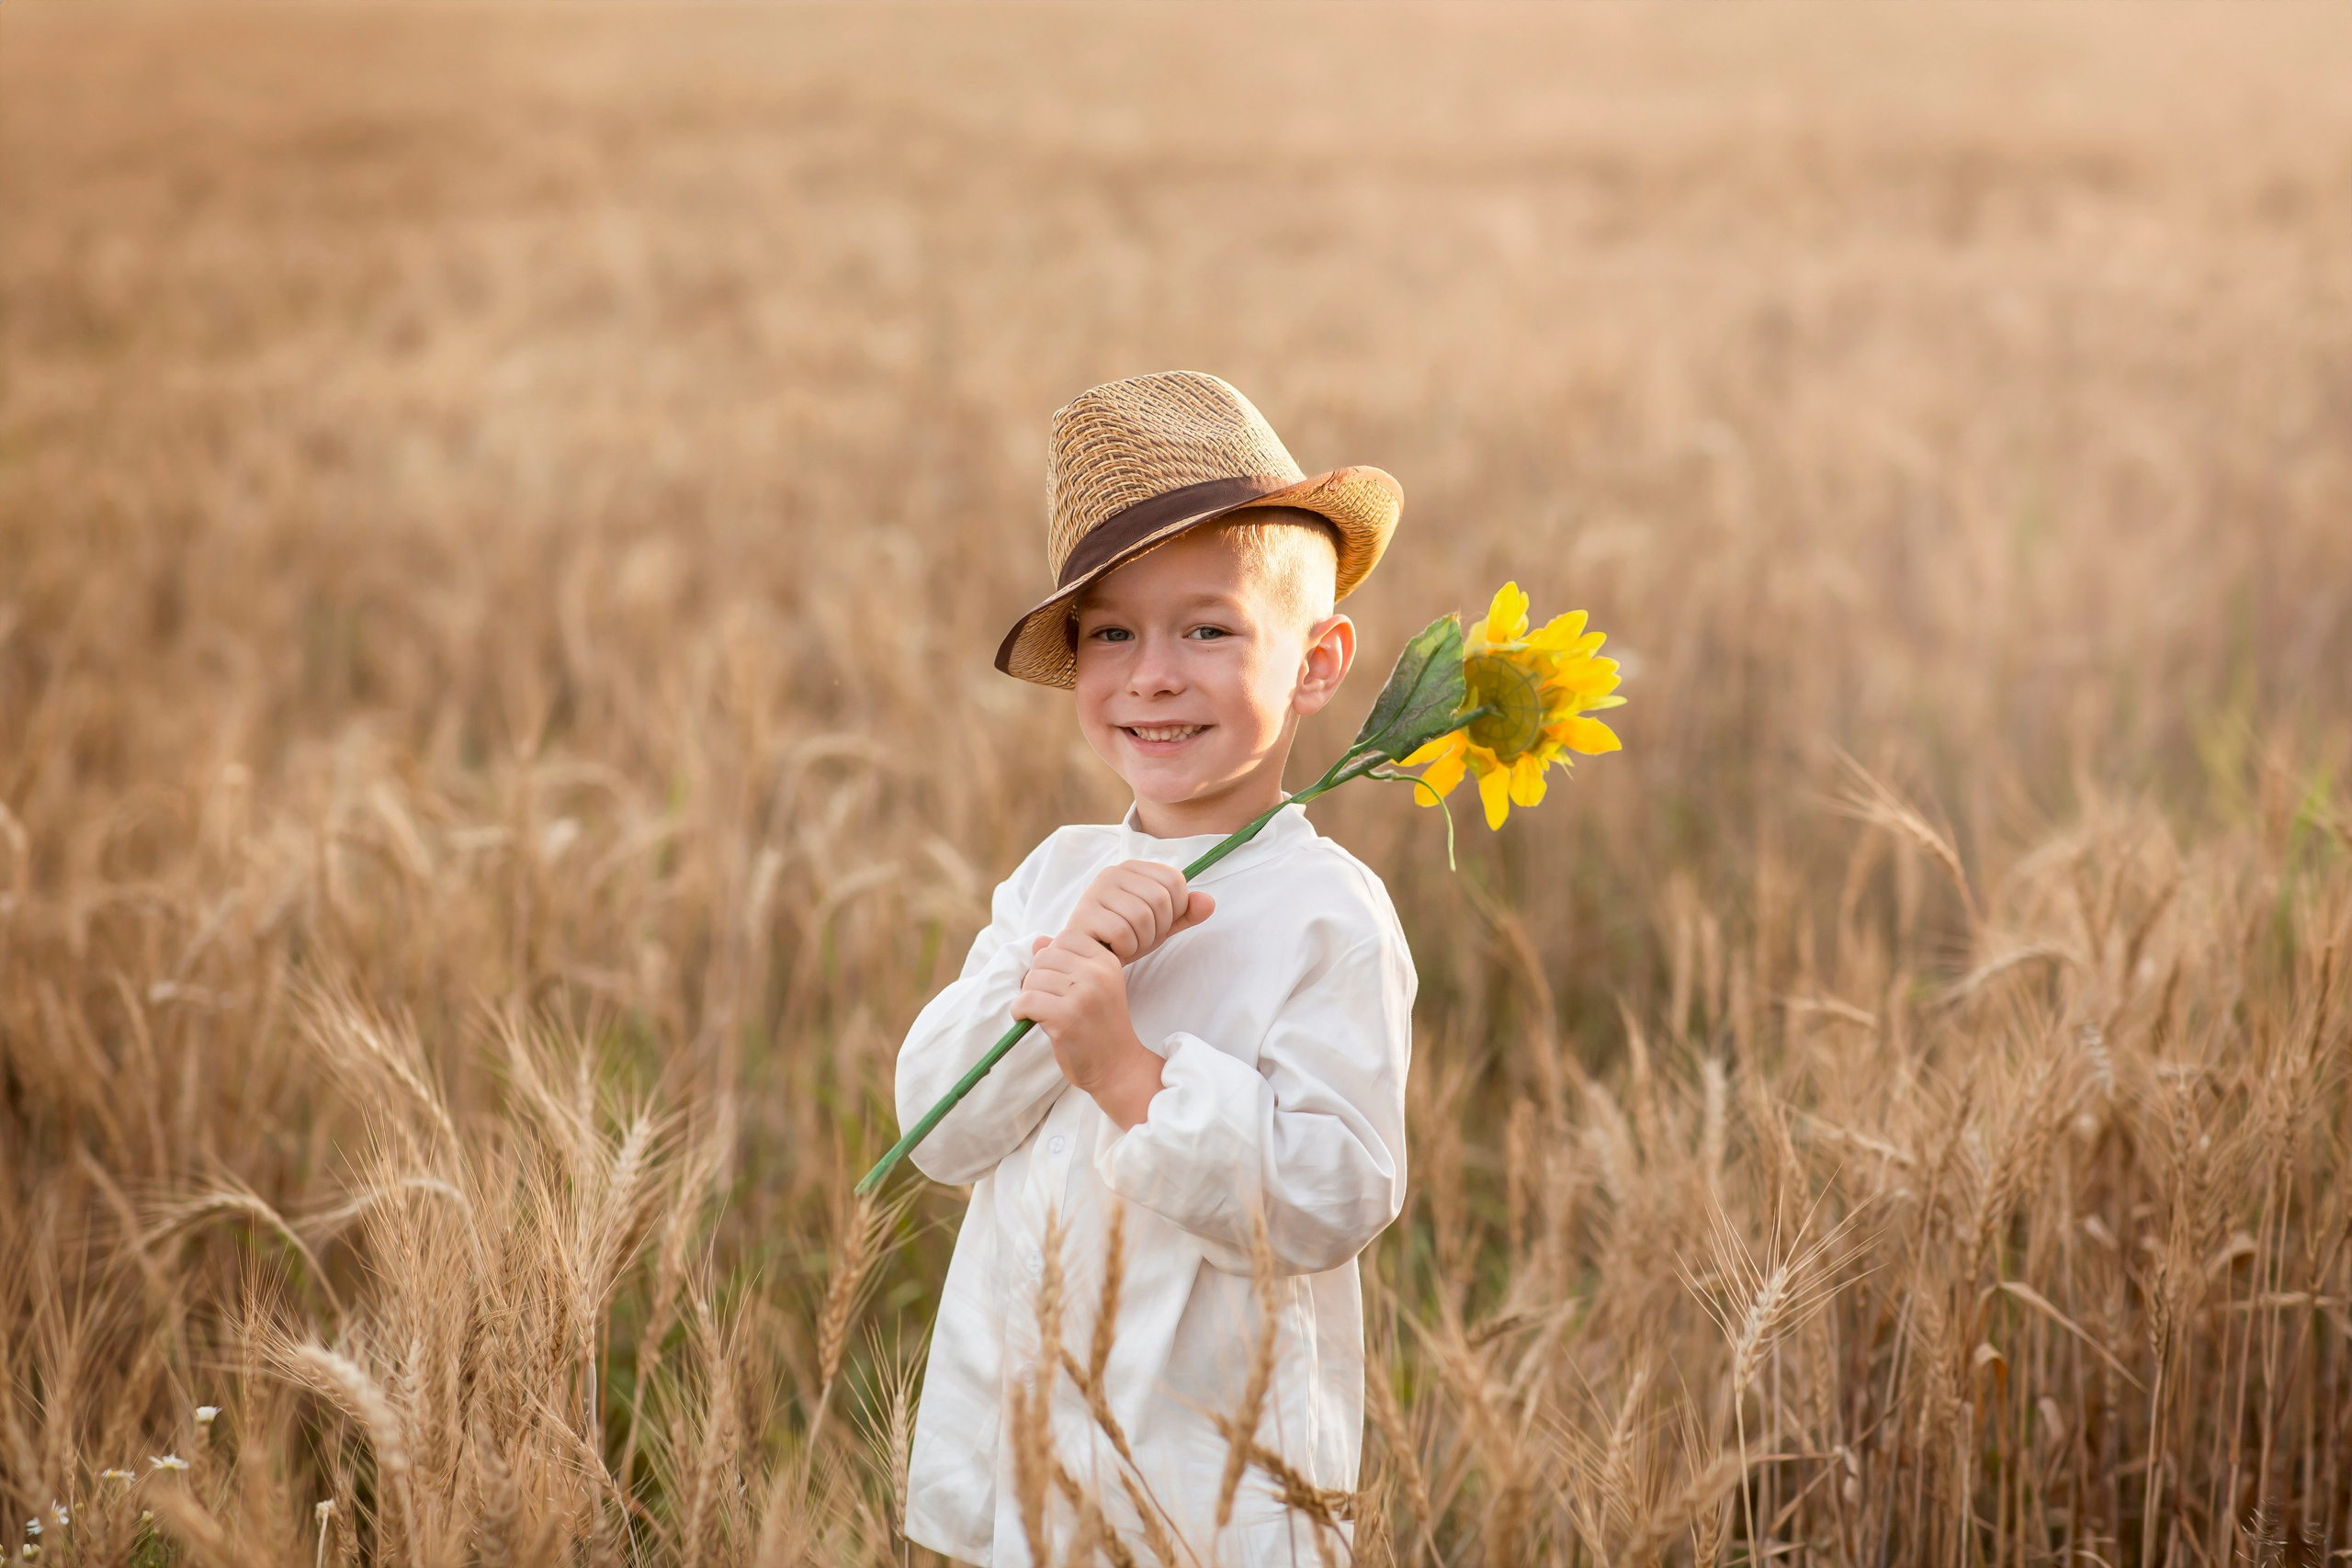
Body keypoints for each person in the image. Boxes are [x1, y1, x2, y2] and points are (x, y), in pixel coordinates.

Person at [894, 371, 1415, 1566]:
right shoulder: (1053, 879)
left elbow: (1338, 1194)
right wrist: (1058, 974)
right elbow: (935, 1130)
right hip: (1027, 1448)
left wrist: (1132, 1075)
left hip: (1215, 1475)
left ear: (1319, 660)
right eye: (1112, 633)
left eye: (1210, 628)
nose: (1153, 674)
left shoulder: (1328, 912)